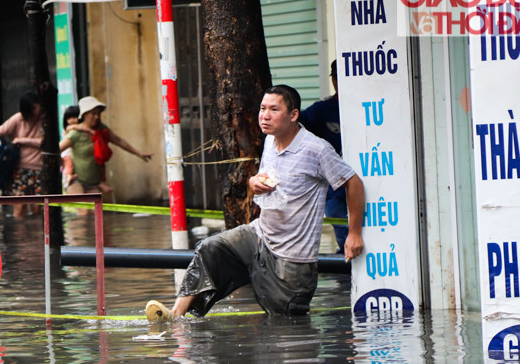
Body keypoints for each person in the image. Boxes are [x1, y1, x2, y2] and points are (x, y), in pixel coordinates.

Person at [145, 84, 365, 321]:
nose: (265, 115)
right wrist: (253, 182)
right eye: (262, 108)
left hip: (292, 259)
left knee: (285, 328)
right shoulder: (270, 141)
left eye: (274, 109)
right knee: (210, 249)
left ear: (293, 115)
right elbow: (262, 180)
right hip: (259, 235)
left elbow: (353, 183)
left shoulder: (317, 149)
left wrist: (354, 233)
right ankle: (174, 316)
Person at [59, 96, 152, 196]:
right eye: (93, 114)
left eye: (98, 114)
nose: (97, 117)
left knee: (95, 211)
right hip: (76, 180)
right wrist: (64, 166)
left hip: (94, 182)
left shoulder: (103, 130)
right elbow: (57, 150)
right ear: (85, 114)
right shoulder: (75, 133)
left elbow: (119, 141)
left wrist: (139, 154)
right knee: (84, 211)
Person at [299, 60, 347, 252]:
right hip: (336, 186)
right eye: (336, 78)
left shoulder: (370, 104)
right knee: (345, 237)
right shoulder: (322, 110)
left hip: (371, 177)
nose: (339, 82)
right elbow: (296, 124)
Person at [0, 90, 43, 217]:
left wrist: (22, 140)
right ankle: (20, 235)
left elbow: (45, 142)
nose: (37, 110)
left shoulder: (43, 120)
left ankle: (37, 236)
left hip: (39, 169)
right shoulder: (18, 119)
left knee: (38, 210)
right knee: (19, 209)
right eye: (34, 108)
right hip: (20, 170)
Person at [60, 105, 79, 190]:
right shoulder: (70, 129)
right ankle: (69, 176)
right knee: (68, 163)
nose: (72, 120)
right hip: (67, 153)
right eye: (69, 118)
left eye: (75, 117)